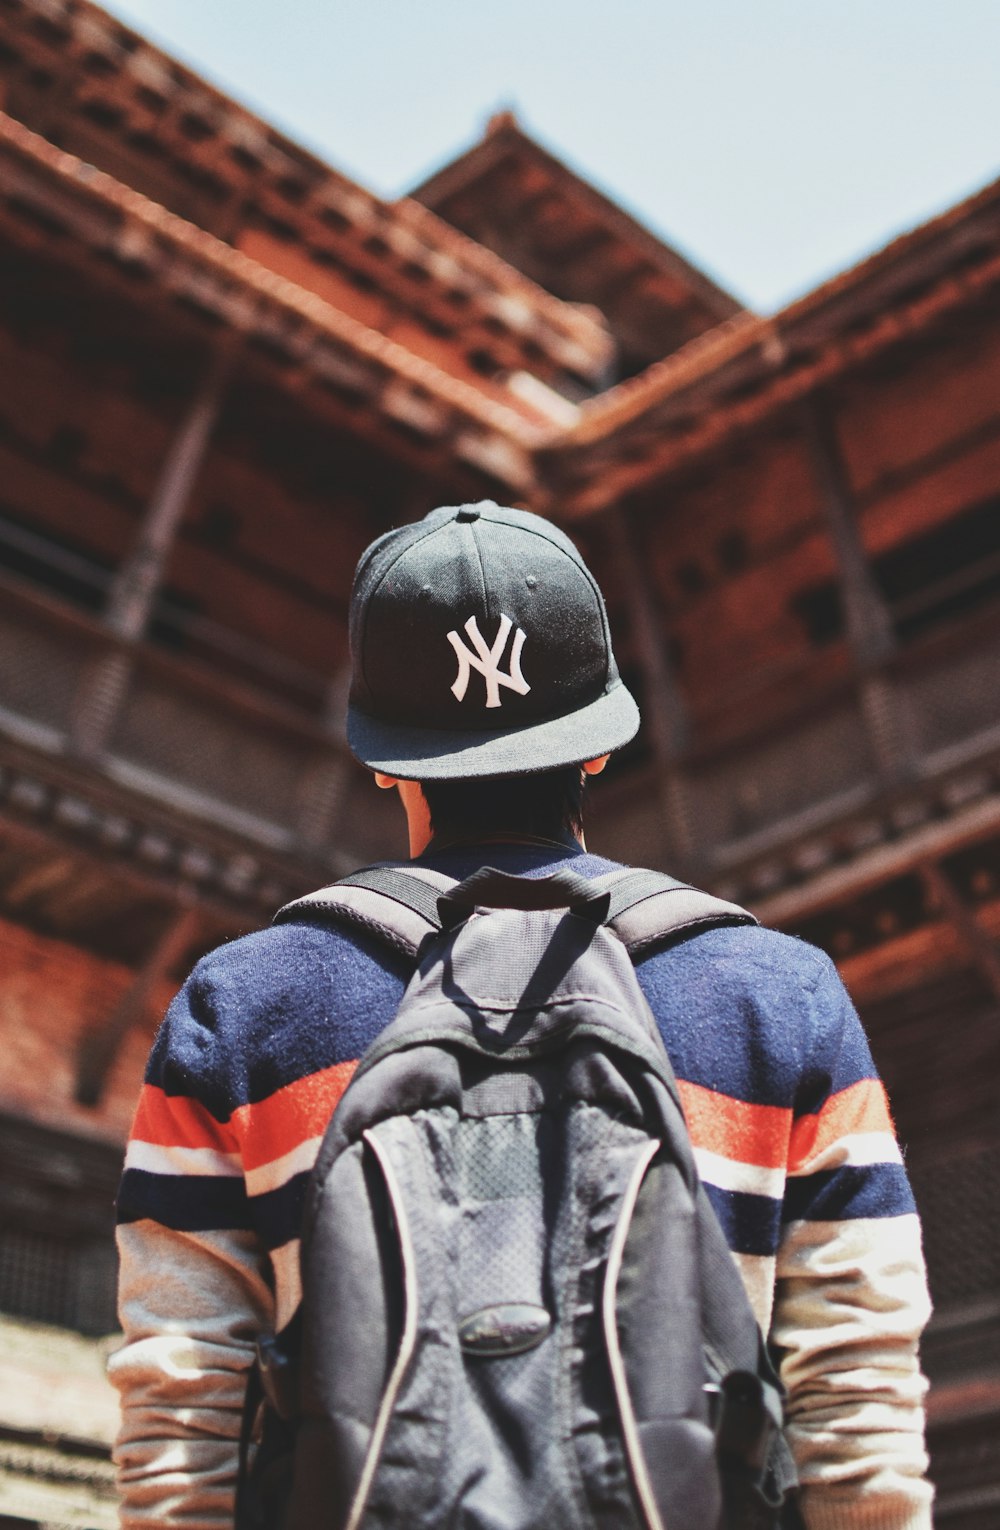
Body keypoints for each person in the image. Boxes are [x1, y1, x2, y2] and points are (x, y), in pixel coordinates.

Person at [110, 501, 933, 1529]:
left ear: (382, 758)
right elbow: (856, 1408)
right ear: (597, 747)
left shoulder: (240, 1009)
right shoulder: (780, 994)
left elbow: (183, 1407)